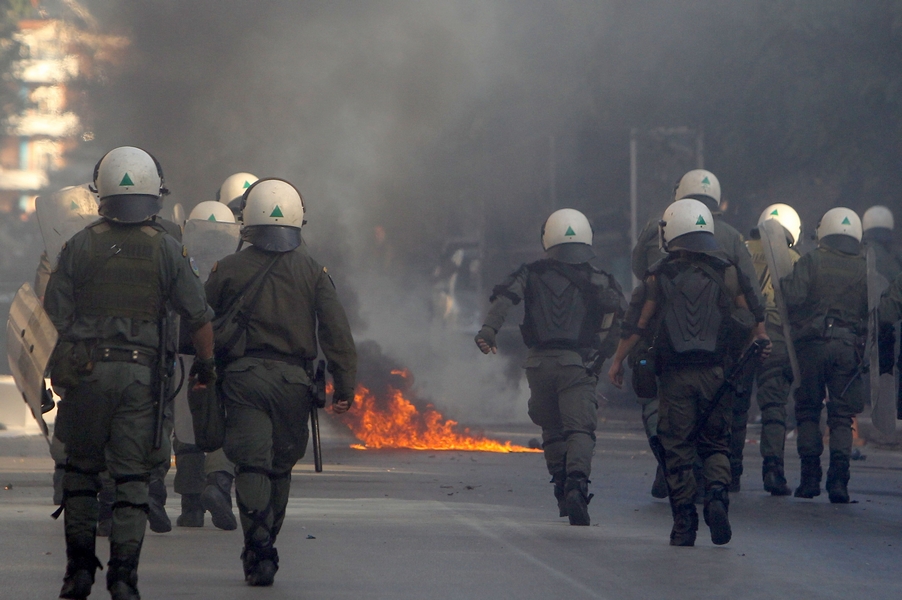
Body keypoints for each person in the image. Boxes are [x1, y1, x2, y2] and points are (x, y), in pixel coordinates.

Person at [45, 146, 215, 600]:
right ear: (153, 194)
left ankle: (79, 572)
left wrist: (66, 360)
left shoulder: (77, 245)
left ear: (100, 192)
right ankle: (123, 577)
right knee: (132, 479)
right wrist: (207, 366)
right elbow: (198, 316)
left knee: (80, 474)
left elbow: (54, 315)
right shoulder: (166, 249)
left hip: (85, 378)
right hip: (142, 383)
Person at [204, 178, 357, 586]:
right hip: (295, 383)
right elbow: (337, 333)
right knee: (279, 467)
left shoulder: (228, 268)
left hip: (243, 379)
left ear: (247, 220)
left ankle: (258, 547)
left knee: (251, 464)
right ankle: (265, 541)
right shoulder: (313, 271)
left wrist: (201, 370)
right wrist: (345, 387)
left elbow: (200, 323)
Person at [609, 199, 769, 546]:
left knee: (678, 447)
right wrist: (760, 338)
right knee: (715, 444)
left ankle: (684, 525)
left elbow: (638, 324)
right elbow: (753, 313)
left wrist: (618, 360)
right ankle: (716, 497)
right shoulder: (727, 271)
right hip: (717, 374)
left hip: (675, 378)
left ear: (673, 232)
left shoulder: (658, 275)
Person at [475, 208, 625, 526]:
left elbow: (503, 301)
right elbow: (618, 321)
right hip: (577, 365)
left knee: (552, 430)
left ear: (548, 238)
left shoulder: (530, 273)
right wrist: (601, 359)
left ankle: (560, 488)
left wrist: (488, 332)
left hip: (538, 366)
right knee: (580, 429)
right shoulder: (600, 278)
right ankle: (576, 486)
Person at [631, 169, 763, 495]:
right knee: (715, 407)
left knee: (663, 407)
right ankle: (717, 477)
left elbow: (639, 270)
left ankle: (671, 469)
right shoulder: (731, 236)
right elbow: (749, 293)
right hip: (716, 341)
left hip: (663, 337)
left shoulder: (656, 228)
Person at [781, 207, 868, 504]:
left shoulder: (811, 260)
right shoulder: (865, 267)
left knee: (807, 410)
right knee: (842, 416)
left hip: (813, 347)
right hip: (848, 349)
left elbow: (792, 298)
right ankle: (839, 482)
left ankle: (809, 480)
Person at [173, 200, 241, 530]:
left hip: (184, 355)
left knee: (186, 432)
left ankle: (191, 506)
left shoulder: (181, 261)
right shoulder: (234, 266)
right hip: (221, 357)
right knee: (219, 425)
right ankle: (218, 487)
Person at [729, 204, 802, 495]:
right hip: (776, 340)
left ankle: (730, 473)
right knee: (774, 409)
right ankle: (773, 472)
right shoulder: (794, 259)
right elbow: (799, 304)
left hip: (741, 338)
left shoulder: (741, 250)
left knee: (736, 408)